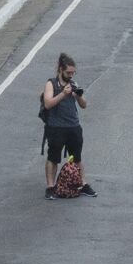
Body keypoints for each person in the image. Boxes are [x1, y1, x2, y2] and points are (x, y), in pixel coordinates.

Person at [40, 53, 94, 200]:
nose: (71, 75)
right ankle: (50, 187)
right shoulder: (51, 84)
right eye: (68, 73)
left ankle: (83, 184)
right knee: (53, 157)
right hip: (56, 127)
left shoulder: (73, 84)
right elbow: (48, 103)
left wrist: (78, 95)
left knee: (77, 158)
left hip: (73, 126)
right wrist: (63, 94)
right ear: (60, 70)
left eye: (73, 72)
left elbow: (84, 105)